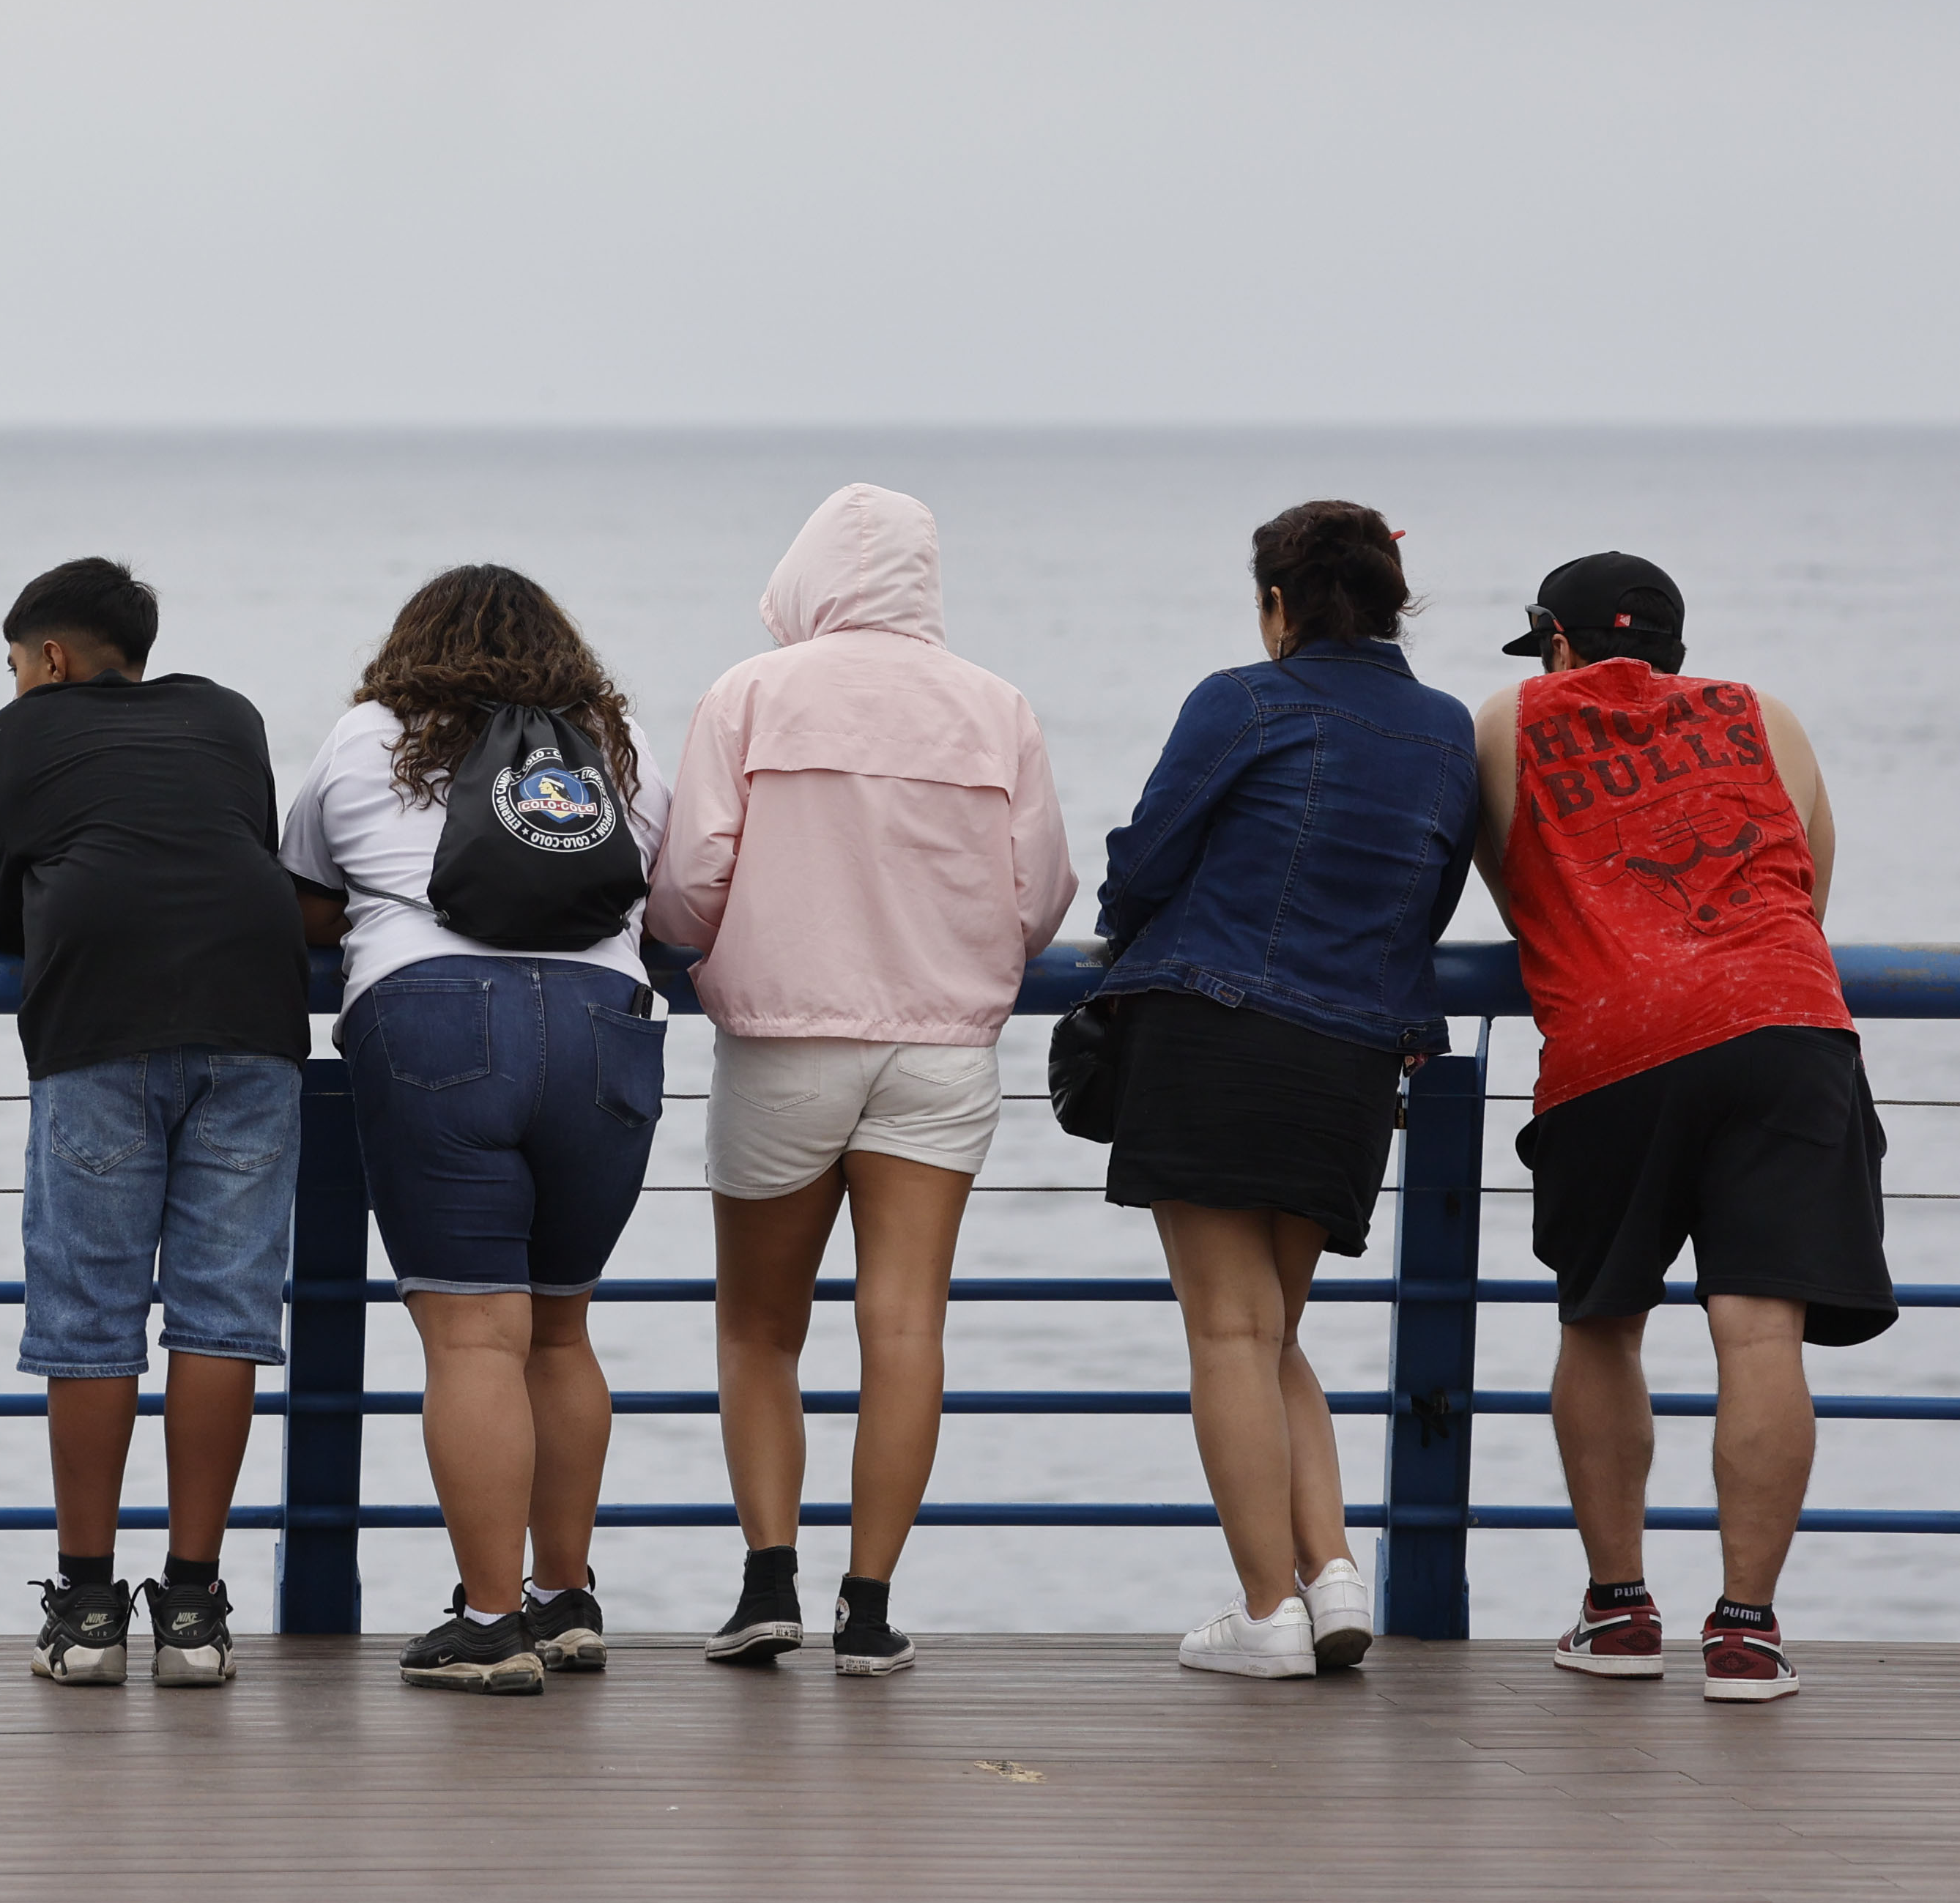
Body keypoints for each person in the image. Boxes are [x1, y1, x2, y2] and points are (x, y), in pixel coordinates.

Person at [647, 485, 1072, 1677]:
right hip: (941, 1050)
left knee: (758, 1329)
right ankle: (870, 1607)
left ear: (808, 575)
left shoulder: (750, 693)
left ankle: (765, 1582)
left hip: (784, 1044)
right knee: (903, 1330)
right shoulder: (997, 708)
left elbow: (686, 885)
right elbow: (1040, 897)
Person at [1477, 553, 1884, 1704]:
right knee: (1759, 1336)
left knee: (1601, 1320)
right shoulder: (1769, 717)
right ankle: (1745, 1635)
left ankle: (1616, 1614)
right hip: (1782, 1022)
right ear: (1674, 647)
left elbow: (1516, 895)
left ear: (1554, 642)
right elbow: (1806, 892)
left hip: (1613, 1039)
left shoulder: (1508, 720)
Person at [1093, 501, 1473, 1680]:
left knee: (1226, 1329)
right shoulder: (1449, 730)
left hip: (1215, 1035)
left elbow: (1148, 859)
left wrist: (1113, 932)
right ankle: (1331, 1572)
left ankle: (1264, 1613)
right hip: (1352, 1060)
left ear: (1276, 605)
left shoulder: (1242, 698)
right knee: (1273, 1332)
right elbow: (1432, 895)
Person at [281, 564, 672, 1695]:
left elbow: (307, 884)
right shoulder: (617, 741)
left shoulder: (369, 735)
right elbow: (670, 893)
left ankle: (489, 1621)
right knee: (559, 1333)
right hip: (604, 1027)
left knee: (469, 1342)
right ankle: (563, 1597)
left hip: (435, 1021)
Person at [0, 558, 308, 1688]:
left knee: (90, 1319)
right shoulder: (227, 715)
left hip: (99, 1028)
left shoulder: (23, 734)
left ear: (49, 659)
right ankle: (197, 1613)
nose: (16, 682)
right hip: (253, 1017)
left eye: (15, 664)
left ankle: (87, 1606)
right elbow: (244, 841)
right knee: (220, 1317)